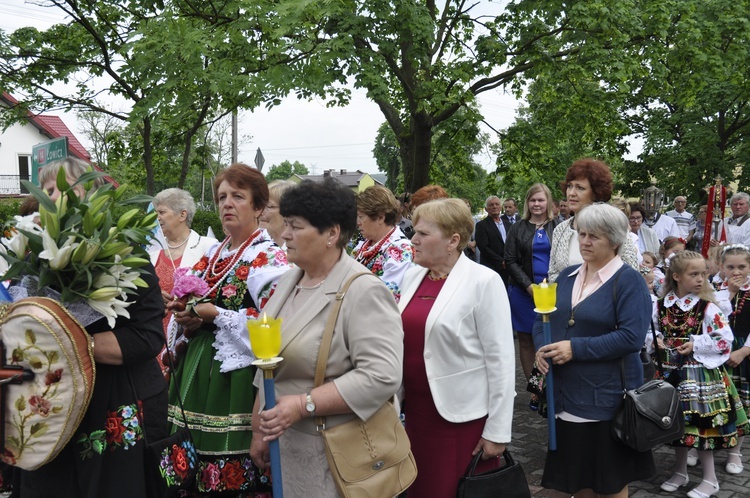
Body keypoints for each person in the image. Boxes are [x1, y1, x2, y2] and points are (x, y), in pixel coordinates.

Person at [16, 157, 168, 498]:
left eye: (62, 189)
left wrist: (69, 342)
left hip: (114, 403)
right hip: (49, 412)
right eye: (47, 190)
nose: (50, 198)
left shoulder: (125, 256)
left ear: (93, 197)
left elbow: (147, 337)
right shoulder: (31, 261)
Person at [248, 179, 403, 497]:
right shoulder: (291, 279)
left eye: (296, 226)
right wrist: (258, 427)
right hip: (288, 448)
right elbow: (270, 360)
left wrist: (303, 405)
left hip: (336, 454)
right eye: (286, 224)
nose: (285, 233)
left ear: (332, 234)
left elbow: (382, 375)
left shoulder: (363, 290)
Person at [167, 163, 289, 495]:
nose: (227, 204)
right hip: (199, 372)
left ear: (259, 206)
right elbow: (199, 307)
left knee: (231, 476)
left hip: (236, 382)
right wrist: (187, 317)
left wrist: (217, 314)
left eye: (238, 196)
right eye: (222, 197)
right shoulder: (215, 253)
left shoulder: (269, 258)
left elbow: (274, 327)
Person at [533, 203, 655, 498]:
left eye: (594, 237)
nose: (585, 242)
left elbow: (631, 338)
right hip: (565, 395)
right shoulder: (567, 275)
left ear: (614, 241)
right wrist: (541, 348)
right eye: (582, 234)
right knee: (578, 478)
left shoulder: (629, 281)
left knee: (609, 482)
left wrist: (575, 348)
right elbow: (542, 318)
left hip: (605, 399)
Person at [398, 198, 515, 498]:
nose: (413, 239)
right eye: (414, 232)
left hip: (459, 421)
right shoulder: (413, 276)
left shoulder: (483, 281)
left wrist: (497, 432)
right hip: (416, 415)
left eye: (423, 234)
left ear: (453, 240)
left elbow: (501, 361)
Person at [654, 250, 746, 498]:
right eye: (693, 274)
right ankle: (681, 471)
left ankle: (710, 479)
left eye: (703, 274)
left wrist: (696, 344)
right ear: (676, 276)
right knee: (675, 425)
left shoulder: (707, 308)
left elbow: (725, 340)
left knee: (701, 427)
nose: (700, 279)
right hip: (670, 373)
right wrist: (657, 342)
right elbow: (649, 331)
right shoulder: (660, 305)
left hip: (700, 377)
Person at [149, 188, 217, 373]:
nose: (157, 218)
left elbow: (216, 292)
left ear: (182, 215)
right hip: (153, 339)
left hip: (190, 338)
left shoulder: (207, 247)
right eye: (156, 213)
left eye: (162, 212)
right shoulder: (151, 253)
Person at [504, 183, 557, 408]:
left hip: (554, 293)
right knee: (526, 341)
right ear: (527, 203)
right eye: (532, 200)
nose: (536, 204)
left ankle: (553, 386)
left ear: (548, 203)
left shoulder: (560, 226)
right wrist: (528, 287)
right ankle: (536, 390)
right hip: (523, 293)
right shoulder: (518, 228)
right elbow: (510, 260)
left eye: (540, 200)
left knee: (549, 341)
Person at [548, 158, 638, 282]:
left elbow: (632, 271)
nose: (571, 193)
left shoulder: (612, 226)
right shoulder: (560, 230)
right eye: (570, 186)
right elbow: (553, 272)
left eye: (580, 188)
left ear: (595, 193)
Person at [716, 244, 750, 475]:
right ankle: (703, 446)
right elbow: (713, 318)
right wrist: (728, 292)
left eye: (742, 266)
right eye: (730, 267)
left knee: (742, 405)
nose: (736, 271)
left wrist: (744, 350)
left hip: (743, 352)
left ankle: (735, 451)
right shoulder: (714, 289)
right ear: (721, 267)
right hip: (717, 352)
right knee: (718, 400)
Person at [352, 184, 413, 301]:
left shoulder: (400, 249)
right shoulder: (365, 245)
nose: (358, 222)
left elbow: (387, 295)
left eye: (361, 217)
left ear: (380, 218)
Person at [475, 195, 511, 285]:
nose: (494, 206)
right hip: (491, 267)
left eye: (496, 204)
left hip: (508, 267)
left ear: (500, 207)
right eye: (491, 205)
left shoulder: (509, 224)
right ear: (486, 209)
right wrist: (500, 261)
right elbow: (483, 247)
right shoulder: (481, 225)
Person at [259, 179, 296, 248]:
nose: (261, 212)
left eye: (269, 207)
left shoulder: (298, 249)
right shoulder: (254, 244)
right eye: (260, 205)